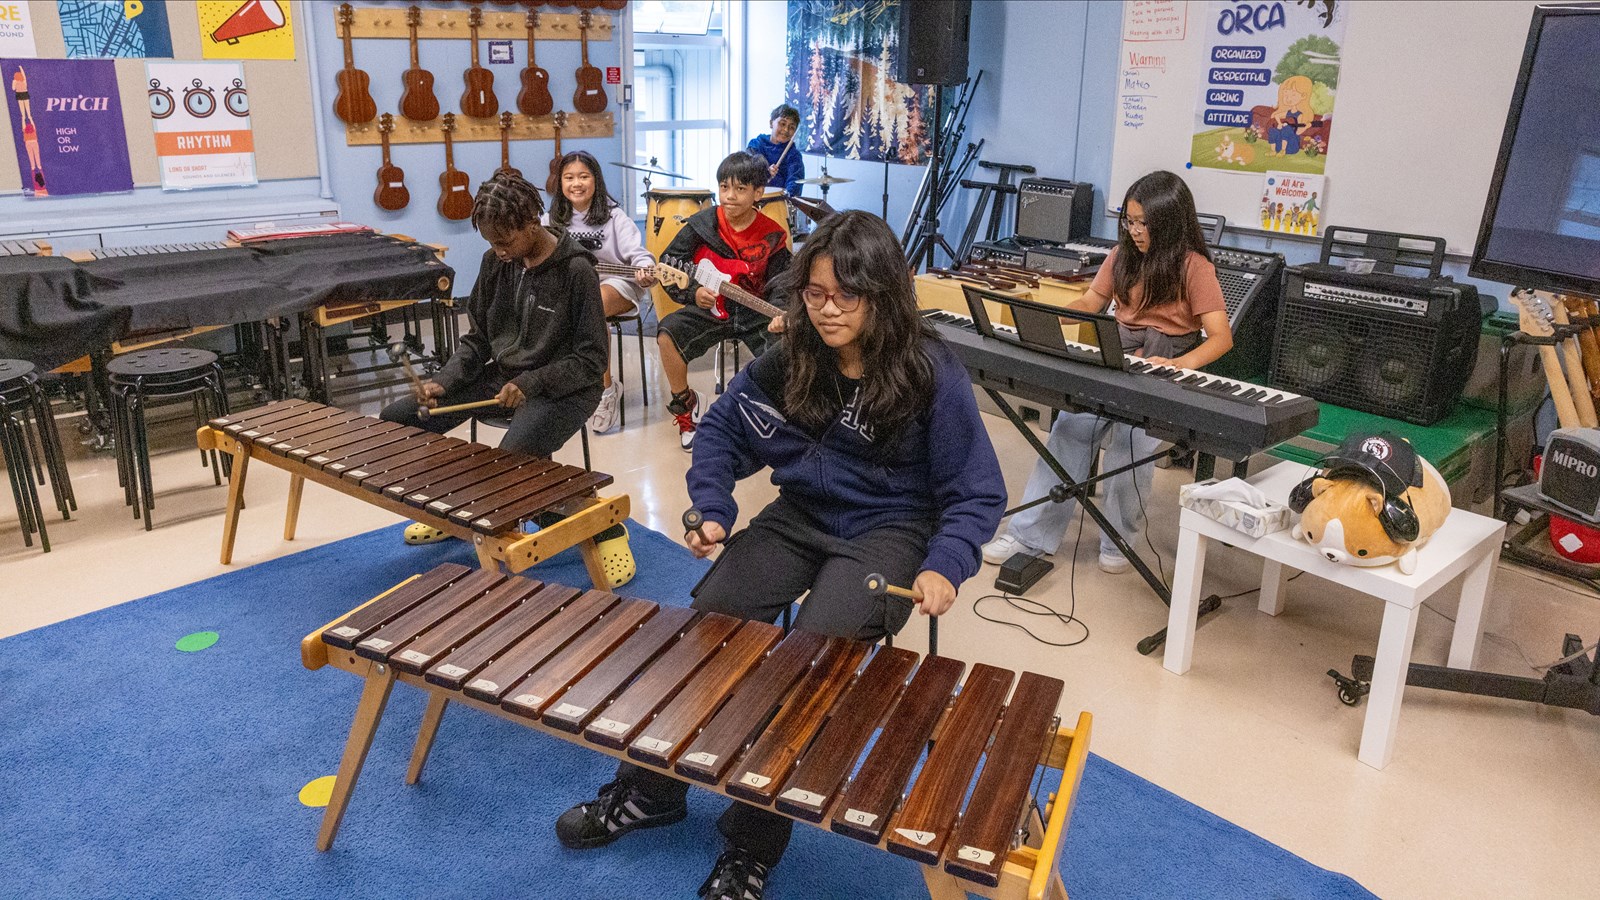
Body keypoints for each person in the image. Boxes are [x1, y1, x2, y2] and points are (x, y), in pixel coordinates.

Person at [553, 210, 1006, 900]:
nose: (825, 312)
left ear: (883, 293)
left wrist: (946, 562)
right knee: (711, 623)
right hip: (801, 516)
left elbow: (976, 491)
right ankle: (651, 791)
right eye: (813, 295)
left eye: (844, 297)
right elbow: (722, 432)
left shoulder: (930, 373)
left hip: (891, 529)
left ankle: (751, 843)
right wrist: (711, 508)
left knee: (812, 661)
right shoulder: (794, 356)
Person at [379, 171, 634, 583]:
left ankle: (603, 526)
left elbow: (590, 360)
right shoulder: (496, 262)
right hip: (504, 378)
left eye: (504, 241)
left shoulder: (576, 271)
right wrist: (444, 380)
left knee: (509, 467)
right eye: (490, 242)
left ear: (533, 223)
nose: (497, 251)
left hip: (566, 388)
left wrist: (531, 385)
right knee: (400, 420)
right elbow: (478, 339)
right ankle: (454, 509)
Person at [981, 170, 1233, 572]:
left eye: (1141, 223)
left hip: (1165, 361)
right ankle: (1030, 535)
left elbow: (1221, 337)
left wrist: (1178, 365)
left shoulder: (1194, 266)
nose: (1133, 231)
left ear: (1168, 221)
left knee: (1131, 446)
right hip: (1116, 349)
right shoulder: (1121, 257)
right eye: (1128, 221)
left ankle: (1119, 541)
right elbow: (1092, 301)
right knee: (1069, 429)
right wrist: (1047, 318)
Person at [656, 151, 791, 451]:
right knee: (668, 334)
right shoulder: (704, 223)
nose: (729, 197)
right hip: (713, 308)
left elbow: (785, 281)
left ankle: (774, 418)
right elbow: (670, 262)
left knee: (789, 349)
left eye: (740, 189)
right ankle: (686, 408)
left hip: (758, 312)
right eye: (723, 187)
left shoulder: (772, 235)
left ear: (758, 192)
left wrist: (780, 313)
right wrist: (692, 293)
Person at [544, 149, 657, 434]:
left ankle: (605, 392)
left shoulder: (614, 217)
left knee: (591, 307)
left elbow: (639, 255)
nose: (576, 183)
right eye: (569, 177)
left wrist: (645, 270)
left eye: (583, 176)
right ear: (560, 182)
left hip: (617, 285)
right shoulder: (550, 219)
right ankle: (567, 383)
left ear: (596, 180)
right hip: (573, 290)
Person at [746, 103, 803, 196]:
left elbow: (795, 184)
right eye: (782, 124)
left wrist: (785, 199)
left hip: (780, 202)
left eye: (792, 127)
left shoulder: (794, 155)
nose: (786, 130)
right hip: (754, 200)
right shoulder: (756, 145)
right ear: (771, 123)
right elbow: (748, 171)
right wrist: (765, 173)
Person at [1267, 74, 1314, 157]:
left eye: (1293, 95)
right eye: (1286, 95)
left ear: (1303, 96)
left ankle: (1283, 151)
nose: (1288, 99)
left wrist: (1306, 126)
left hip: (1291, 146)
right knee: (1273, 130)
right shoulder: (1287, 112)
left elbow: (1298, 132)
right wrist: (1280, 124)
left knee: (1287, 129)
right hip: (1279, 143)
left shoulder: (1299, 115)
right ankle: (1273, 151)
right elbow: (1277, 116)